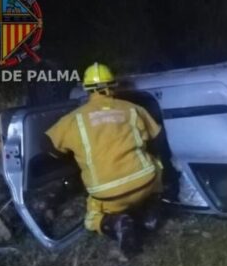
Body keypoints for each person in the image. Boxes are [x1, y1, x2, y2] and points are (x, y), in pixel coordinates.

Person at [45, 62, 175, 254]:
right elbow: (158, 140)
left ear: (86, 89)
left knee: (92, 219)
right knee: (154, 167)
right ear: (113, 85)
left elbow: (48, 147)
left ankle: (117, 223)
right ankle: (151, 208)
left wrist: (67, 156)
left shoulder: (73, 120)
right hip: (144, 182)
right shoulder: (133, 109)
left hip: (109, 194)